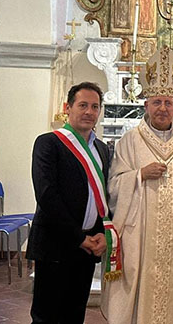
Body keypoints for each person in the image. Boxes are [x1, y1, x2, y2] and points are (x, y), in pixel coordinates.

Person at [101, 46, 173, 324]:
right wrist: (139, 175)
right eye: (157, 102)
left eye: (168, 103)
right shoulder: (130, 141)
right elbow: (113, 186)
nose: (163, 108)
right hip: (142, 235)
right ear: (146, 105)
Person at [27, 82, 118, 323]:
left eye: (95, 107)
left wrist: (101, 234)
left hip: (87, 247)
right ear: (68, 108)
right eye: (83, 105)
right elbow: (47, 195)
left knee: (74, 315)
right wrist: (78, 237)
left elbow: (104, 195)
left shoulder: (102, 149)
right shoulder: (49, 143)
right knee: (46, 317)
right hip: (56, 243)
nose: (89, 112)